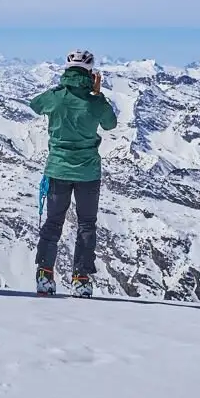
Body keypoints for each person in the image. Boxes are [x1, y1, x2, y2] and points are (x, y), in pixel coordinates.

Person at [30, 48, 118, 297]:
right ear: (91, 73)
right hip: (88, 172)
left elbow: (35, 105)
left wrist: (58, 94)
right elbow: (110, 124)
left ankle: (45, 274)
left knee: (53, 223)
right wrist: (97, 94)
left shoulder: (57, 97)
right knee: (87, 224)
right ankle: (81, 278)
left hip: (58, 169)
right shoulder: (95, 101)